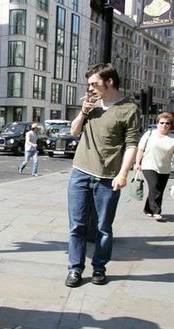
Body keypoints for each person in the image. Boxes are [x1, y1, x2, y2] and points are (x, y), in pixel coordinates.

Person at [65, 63, 140, 288]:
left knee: (103, 227)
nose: (90, 88)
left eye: (94, 83)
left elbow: (131, 144)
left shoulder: (129, 109)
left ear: (109, 82)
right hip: (80, 173)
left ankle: (99, 267)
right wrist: (84, 111)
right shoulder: (92, 104)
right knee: (76, 226)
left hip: (108, 178)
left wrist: (123, 174)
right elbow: (74, 131)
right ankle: (75, 269)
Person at [134, 112, 174, 222]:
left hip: (164, 168)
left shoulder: (172, 139)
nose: (164, 125)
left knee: (158, 189)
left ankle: (148, 209)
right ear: (157, 124)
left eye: (167, 123)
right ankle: (157, 212)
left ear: (170, 125)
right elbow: (140, 149)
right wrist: (137, 163)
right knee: (155, 186)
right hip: (148, 165)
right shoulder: (150, 134)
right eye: (161, 123)